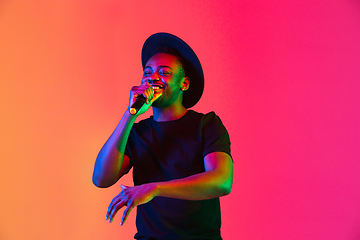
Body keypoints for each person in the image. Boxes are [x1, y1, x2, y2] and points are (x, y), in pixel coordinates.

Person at [92, 32, 233, 240]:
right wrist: (130, 115)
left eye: (164, 72)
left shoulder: (206, 125)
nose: (152, 78)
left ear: (183, 84)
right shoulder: (137, 133)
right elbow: (101, 179)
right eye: (147, 73)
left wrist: (154, 189)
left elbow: (221, 181)